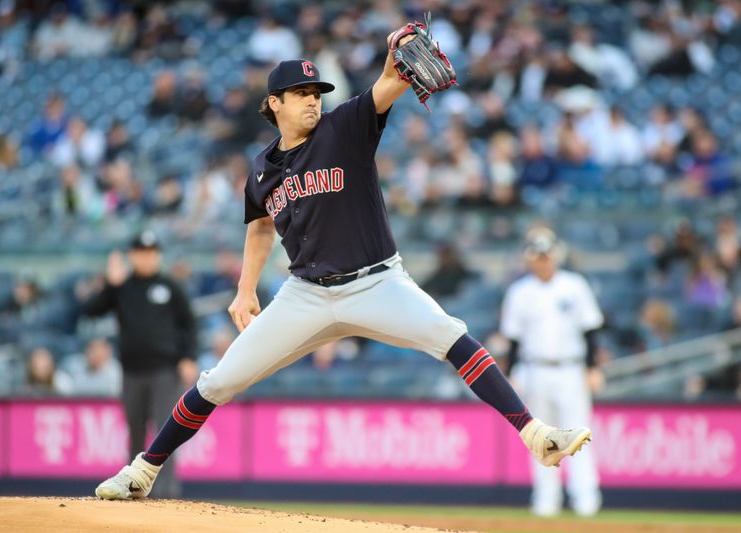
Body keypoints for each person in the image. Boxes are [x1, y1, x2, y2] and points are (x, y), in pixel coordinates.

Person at [95, 22, 591, 501]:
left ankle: (535, 435)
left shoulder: (345, 127)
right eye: (301, 92)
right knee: (218, 381)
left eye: (316, 90)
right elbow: (261, 225)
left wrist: (395, 52)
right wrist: (245, 289)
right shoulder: (261, 170)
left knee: (451, 335)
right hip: (305, 293)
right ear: (274, 104)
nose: (313, 98)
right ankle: (143, 470)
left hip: (376, 283)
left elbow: (390, 82)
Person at [83, 230, 197, 498]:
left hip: (165, 371)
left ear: (158, 256)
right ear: (132, 256)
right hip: (132, 371)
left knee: (164, 432)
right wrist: (110, 284)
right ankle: (132, 487)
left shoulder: (170, 287)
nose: (147, 258)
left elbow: (189, 326)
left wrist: (188, 357)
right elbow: (90, 311)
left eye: (152, 253)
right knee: (134, 432)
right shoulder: (121, 287)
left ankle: (166, 492)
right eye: (141, 253)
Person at [500, 227, 603, 517]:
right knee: (541, 437)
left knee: (579, 433)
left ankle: (586, 499)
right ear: (529, 259)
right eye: (537, 257)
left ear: (556, 256)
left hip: (571, 368)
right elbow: (514, 340)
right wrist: (510, 374)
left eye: (546, 256)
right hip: (536, 369)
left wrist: (593, 367)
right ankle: (546, 500)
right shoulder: (520, 291)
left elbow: (591, 330)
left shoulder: (574, 285)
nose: (542, 262)